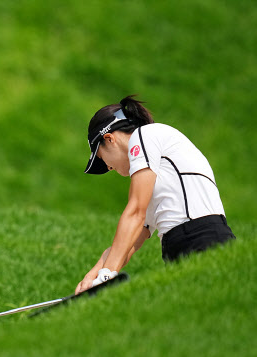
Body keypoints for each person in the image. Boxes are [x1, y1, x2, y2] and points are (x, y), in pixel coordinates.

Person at [75, 95, 236, 295]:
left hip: (198, 238)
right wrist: (92, 276)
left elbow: (135, 212)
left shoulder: (144, 135)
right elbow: (132, 239)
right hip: (192, 241)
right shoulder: (154, 171)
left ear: (110, 138)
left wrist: (107, 275)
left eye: (102, 158)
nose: (107, 167)